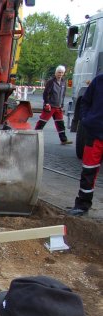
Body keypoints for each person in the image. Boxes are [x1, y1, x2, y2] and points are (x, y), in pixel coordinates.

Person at [68, 72, 103, 216]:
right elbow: (85, 101)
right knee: (88, 172)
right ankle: (82, 205)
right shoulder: (99, 81)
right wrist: (85, 119)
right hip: (94, 135)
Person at [35, 65, 73, 145]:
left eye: (62, 73)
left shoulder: (63, 82)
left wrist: (61, 103)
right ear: (56, 73)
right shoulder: (51, 82)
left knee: (60, 124)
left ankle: (64, 140)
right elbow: (46, 93)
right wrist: (47, 103)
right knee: (42, 122)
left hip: (58, 107)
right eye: (59, 72)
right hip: (50, 106)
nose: (60, 74)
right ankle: (34, 137)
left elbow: (63, 94)